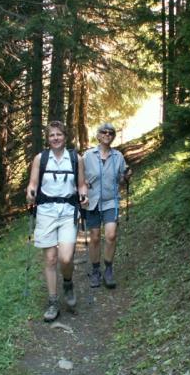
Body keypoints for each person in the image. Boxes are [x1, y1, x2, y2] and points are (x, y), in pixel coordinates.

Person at [26, 121, 88, 322]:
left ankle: (68, 282)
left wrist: (84, 195)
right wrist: (30, 193)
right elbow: (33, 184)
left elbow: (81, 185)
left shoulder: (75, 158)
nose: (55, 138)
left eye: (58, 134)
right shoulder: (40, 158)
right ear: (48, 138)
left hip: (68, 211)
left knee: (66, 258)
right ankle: (53, 302)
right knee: (51, 259)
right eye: (51, 135)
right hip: (46, 212)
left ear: (65, 136)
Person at [82, 123, 132, 289]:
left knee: (111, 235)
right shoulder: (88, 155)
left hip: (111, 201)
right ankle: (96, 270)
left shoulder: (118, 156)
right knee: (95, 238)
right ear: (98, 135)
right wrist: (82, 186)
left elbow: (122, 178)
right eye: (103, 132)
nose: (107, 135)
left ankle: (108, 269)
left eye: (110, 133)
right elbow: (80, 177)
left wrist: (126, 176)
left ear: (113, 137)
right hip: (92, 201)